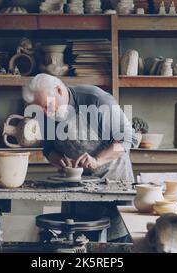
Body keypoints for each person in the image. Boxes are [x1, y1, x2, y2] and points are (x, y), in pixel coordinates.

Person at [22, 73, 137, 241]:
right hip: (77, 195)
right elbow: (48, 149)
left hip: (113, 189)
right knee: (78, 246)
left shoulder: (96, 100)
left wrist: (98, 160)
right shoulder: (47, 114)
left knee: (114, 248)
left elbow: (129, 139)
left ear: (59, 90)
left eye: (47, 106)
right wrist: (59, 160)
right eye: (40, 110)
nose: (45, 114)